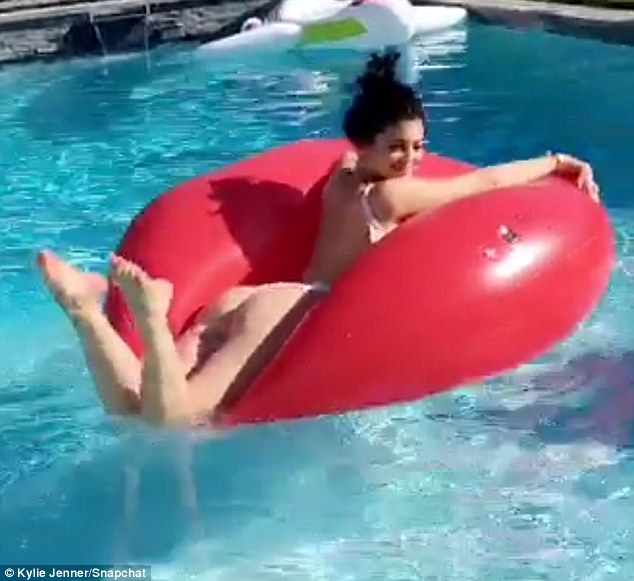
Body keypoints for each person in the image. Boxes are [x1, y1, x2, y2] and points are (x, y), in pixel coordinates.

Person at [38, 50, 600, 429]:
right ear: (365, 143)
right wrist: (554, 163)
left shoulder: (341, 176)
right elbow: (485, 184)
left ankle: (88, 313)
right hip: (294, 312)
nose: (411, 159)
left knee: (135, 407)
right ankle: (150, 317)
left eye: (419, 147)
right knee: (180, 422)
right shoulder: (391, 195)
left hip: (249, 300)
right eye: (398, 147)